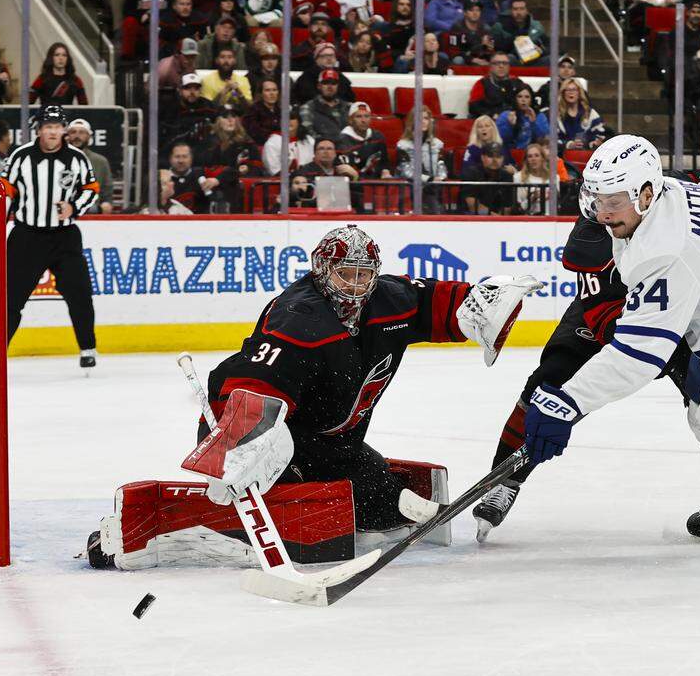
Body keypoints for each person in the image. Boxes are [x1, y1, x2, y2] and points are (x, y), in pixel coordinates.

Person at [516, 136, 700, 581]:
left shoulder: (666, 248)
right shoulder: (660, 199)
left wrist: (567, 402)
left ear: (644, 193)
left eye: (613, 201)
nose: (602, 213)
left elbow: (640, 355)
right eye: (596, 199)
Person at [189, 224, 537, 556]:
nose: (356, 285)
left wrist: (486, 301)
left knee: (380, 504)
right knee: (302, 483)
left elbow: (439, 303)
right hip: (275, 434)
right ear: (323, 270)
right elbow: (253, 385)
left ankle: (372, 497)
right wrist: (234, 452)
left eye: (364, 274)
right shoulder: (297, 316)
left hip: (336, 442)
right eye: (346, 273)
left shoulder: (389, 300)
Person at [1, 105, 99, 368]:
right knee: (10, 298)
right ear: (39, 129)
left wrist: (74, 207)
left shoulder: (77, 158)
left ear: (63, 130)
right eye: (48, 127)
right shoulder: (21, 156)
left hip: (64, 236)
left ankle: (87, 348)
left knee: (79, 294)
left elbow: (91, 188)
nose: (53, 132)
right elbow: (5, 192)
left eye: (57, 127)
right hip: (26, 236)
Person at [535, 78, 609, 153]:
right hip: (560, 155)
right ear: (563, 93)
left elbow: (600, 134)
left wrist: (593, 143)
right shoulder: (553, 114)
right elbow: (548, 139)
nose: (571, 92)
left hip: (585, 154)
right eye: (567, 90)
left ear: (579, 93)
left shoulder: (590, 113)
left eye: (574, 89)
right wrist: (569, 144)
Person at [66, 119, 113, 214]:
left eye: (81, 132)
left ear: (89, 136)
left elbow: (107, 191)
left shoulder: (100, 161)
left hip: (92, 210)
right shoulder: (56, 159)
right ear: (67, 136)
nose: (77, 136)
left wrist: (106, 204)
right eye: (73, 132)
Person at [336, 102, 391, 181]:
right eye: (358, 116)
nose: (363, 120)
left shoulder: (378, 137)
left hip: (377, 184)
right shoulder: (342, 141)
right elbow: (344, 172)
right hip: (355, 185)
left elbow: (384, 163)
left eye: (366, 116)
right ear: (350, 120)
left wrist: (385, 172)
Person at [461, 141, 514, 214]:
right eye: (490, 156)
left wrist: (500, 219)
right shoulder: (471, 173)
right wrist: (494, 218)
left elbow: (508, 206)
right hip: (472, 218)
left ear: (503, 159)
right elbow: (472, 205)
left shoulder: (507, 176)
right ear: (482, 158)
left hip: (498, 219)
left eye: (498, 156)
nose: (495, 160)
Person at [299, 70, 352, 141]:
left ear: (337, 86)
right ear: (319, 86)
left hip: (348, 147)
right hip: (321, 148)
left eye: (334, 83)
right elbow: (308, 133)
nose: (330, 86)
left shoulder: (349, 107)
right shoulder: (307, 107)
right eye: (326, 83)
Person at [497, 85, 541, 151]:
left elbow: (543, 140)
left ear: (531, 99)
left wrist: (533, 123)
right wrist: (510, 125)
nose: (523, 100)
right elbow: (499, 139)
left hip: (531, 154)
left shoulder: (539, 116)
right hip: (509, 153)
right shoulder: (505, 115)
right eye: (520, 97)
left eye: (527, 97)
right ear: (515, 99)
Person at [513, 142, 553, 214]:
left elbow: (557, 205)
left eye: (537, 155)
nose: (533, 159)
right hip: (528, 219)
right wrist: (532, 198)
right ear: (526, 160)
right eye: (530, 156)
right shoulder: (518, 177)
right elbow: (519, 208)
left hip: (551, 219)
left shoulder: (553, 178)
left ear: (542, 158)